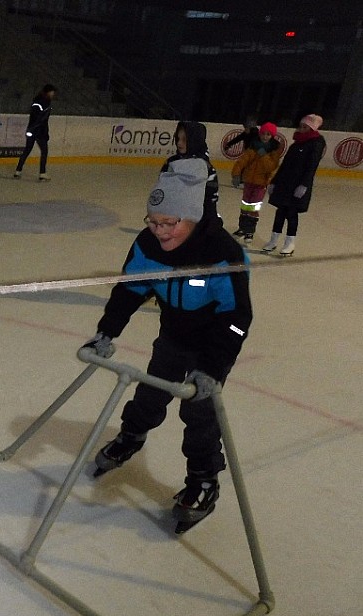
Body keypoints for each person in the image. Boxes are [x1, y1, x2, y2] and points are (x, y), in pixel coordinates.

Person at [81, 158, 252, 534]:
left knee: (200, 414)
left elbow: (238, 318)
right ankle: (131, 435)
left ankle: (204, 479)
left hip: (212, 345)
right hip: (173, 335)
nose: (159, 231)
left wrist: (213, 368)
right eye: (152, 221)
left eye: (168, 223)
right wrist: (107, 331)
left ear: (192, 216)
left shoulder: (222, 253)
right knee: (151, 392)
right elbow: (130, 289)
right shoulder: (148, 245)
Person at [261, 114, 326, 257]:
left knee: (291, 214)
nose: (301, 129)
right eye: (301, 126)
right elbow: (284, 165)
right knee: (280, 212)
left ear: (312, 129)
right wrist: (274, 181)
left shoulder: (316, 144)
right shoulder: (296, 144)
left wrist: (304, 185)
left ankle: (289, 243)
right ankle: (273, 240)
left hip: (298, 186)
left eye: (305, 127)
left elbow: (311, 166)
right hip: (285, 184)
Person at [230, 122, 283, 242]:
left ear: (272, 136)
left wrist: (264, 156)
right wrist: (236, 174)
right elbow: (242, 161)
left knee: (253, 208)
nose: (265, 136)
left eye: (268, 134)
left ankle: (250, 231)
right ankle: (242, 228)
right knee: (245, 206)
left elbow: (271, 167)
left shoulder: (274, 151)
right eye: (263, 134)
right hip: (249, 182)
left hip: (260, 184)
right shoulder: (253, 146)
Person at [162, 121, 219, 222]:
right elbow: (161, 191)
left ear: (195, 140)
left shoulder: (206, 169)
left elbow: (210, 202)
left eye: (184, 140)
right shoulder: (171, 163)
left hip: (195, 224)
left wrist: (211, 225)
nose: (179, 143)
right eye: (178, 139)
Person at [13, 83, 57, 181]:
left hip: (32, 130)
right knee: (44, 151)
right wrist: (43, 131)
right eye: (52, 92)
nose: (53, 94)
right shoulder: (45, 103)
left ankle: (18, 171)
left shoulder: (36, 101)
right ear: (48, 92)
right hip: (40, 131)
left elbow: (34, 117)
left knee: (27, 150)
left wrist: (30, 129)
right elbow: (41, 119)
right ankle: (42, 173)